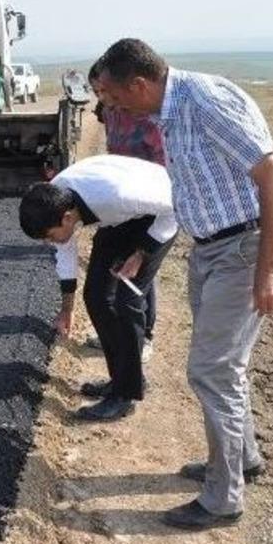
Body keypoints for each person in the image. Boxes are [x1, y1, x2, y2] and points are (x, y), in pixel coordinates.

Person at [96, 38, 273, 530]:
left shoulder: (204, 102)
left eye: (116, 97)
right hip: (211, 249)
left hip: (244, 249)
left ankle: (224, 498)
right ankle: (242, 458)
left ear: (140, 84)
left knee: (211, 370)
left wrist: (269, 269)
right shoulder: (166, 109)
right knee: (224, 367)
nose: (114, 108)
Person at [18, 155, 177, 421]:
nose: (49, 242)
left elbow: (175, 206)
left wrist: (141, 253)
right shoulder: (54, 200)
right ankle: (121, 379)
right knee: (96, 296)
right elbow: (64, 253)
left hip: (161, 214)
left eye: (50, 236)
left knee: (127, 301)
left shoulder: (117, 196)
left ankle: (125, 395)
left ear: (67, 218)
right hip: (118, 219)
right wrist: (67, 309)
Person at [87, 60, 167, 362]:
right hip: (122, 199)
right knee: (119, 270)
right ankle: (118, 332)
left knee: (140, 275)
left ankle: (143, 336)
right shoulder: (110, 112)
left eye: (105, 91)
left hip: (151, 200)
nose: (103, 97)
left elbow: (165, 170)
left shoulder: (148, 118)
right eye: (97, 92)